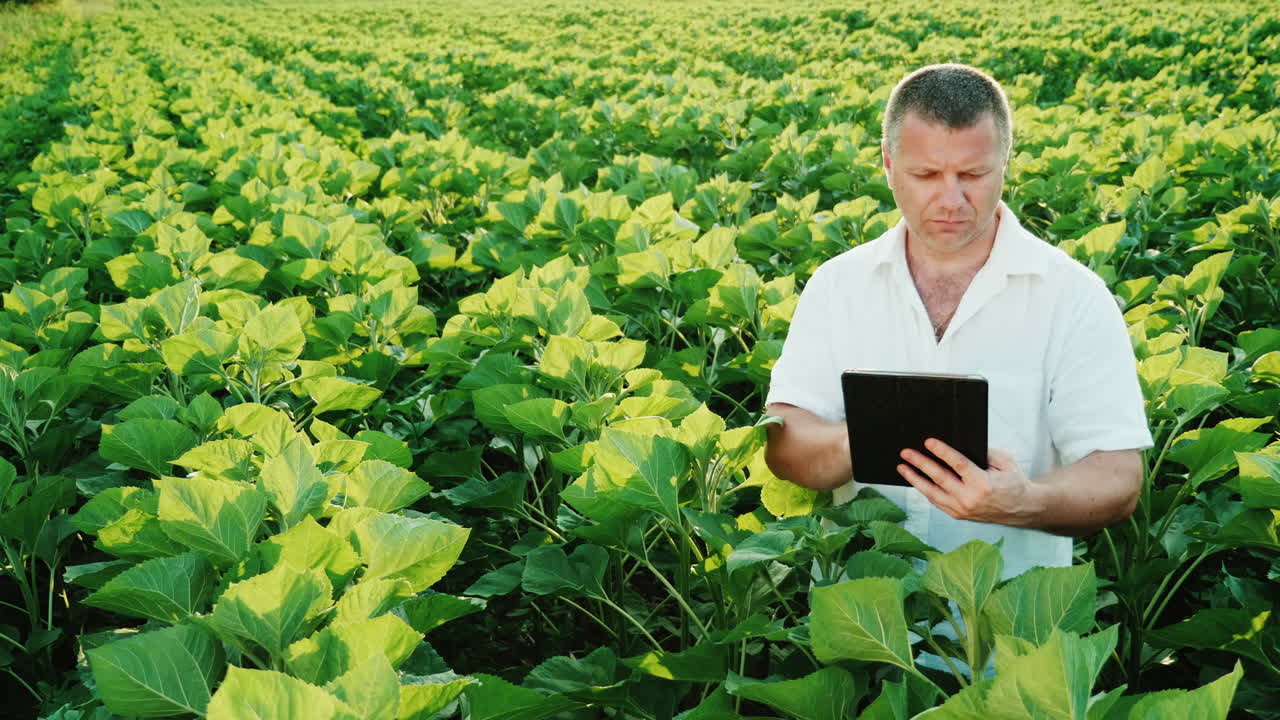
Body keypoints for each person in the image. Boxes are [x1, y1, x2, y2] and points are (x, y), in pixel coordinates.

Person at [763, 63, 1153, 579]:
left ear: (1004, 163)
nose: (951, 200)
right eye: (926, 175)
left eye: (972, 175)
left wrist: (1024, 501)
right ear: (887, 163)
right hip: (862, 621)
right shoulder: (838, 287)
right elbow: (785, 443)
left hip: (1013, 632)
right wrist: (863, 438)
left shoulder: (1074, 297)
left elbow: (1119, 477)